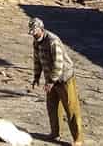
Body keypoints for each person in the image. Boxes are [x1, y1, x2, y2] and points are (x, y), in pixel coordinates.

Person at [28, 17, 83, 145]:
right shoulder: (36, 42)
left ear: (41, 29)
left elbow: (58, 64)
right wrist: (36, 77)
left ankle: (78, 139)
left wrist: (51, 82)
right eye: (32, 33)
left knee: (71, 108)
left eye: (35, 32)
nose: (34, 35)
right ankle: (55, 133)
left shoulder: (53, 41)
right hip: (50, 79)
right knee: (52, 107)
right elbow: (37, 60)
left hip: (64, 78)